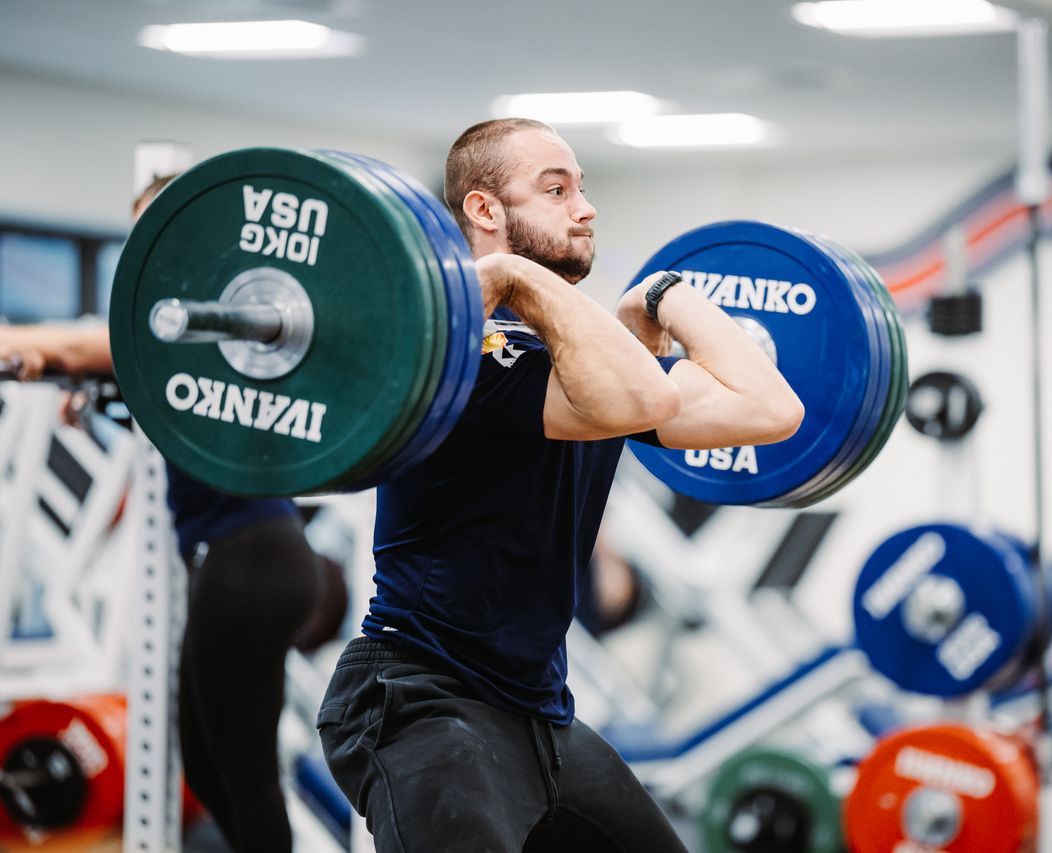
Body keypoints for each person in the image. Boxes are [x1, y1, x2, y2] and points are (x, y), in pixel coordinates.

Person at [317, 118, 804, 852]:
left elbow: (773, 408)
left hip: (536, 713)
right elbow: (639, 400)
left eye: (581, 187)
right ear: (484, 211)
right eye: (556, 189)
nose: (586, 207)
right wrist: (517, 279)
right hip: (421, 699)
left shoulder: (578, 368)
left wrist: (667, 293)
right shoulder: (458, 352)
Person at [0, 175, 337, 853]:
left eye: (167, 225)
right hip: (255, 558)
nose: (150, 245)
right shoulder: (196, 330)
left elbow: (77, 345)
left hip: (251, 557)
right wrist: (94, 384)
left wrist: (54, 355)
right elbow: (130, 374)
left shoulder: (205, 319)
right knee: (211, 765)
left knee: (243, 775)